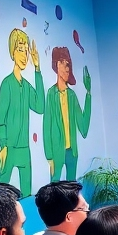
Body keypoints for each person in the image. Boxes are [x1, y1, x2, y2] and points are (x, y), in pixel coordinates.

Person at [0, 28, 45, 195]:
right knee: (0, 193)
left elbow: (40, 107)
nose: (24, 55)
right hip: (9, 149)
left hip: (24, 149)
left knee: (27, 194)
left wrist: (37, 69)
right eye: (20, 50)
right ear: (13, 53)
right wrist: (3, 145)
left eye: (26, 51)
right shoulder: (7, 84)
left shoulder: (27, 87)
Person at [42, 47, 92, 182]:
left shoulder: (72, 95)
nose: (66, 68)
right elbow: (47, 125)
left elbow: (83, 128)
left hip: (72, 152)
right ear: (56, 65)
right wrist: (49, 157)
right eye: (63, 63)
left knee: (72, 188)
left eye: (68, 64)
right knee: (54, 187)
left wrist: (88, 93)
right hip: (57, 152)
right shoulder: (51, 94)